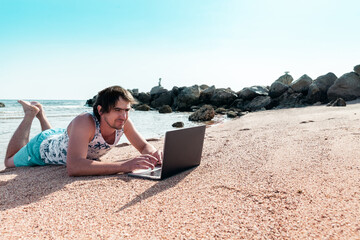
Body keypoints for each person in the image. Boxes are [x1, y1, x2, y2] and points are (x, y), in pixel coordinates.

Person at [4, 86, 162, 176]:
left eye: (127, 110)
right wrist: (123, 166)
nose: (124, 115)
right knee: (9, 161)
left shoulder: (123, 122)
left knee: (58, 142)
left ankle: (41, 114)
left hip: (61, 139)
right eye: (117, 110)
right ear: (100, 110)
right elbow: (74, 167)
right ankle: (30, 115)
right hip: (41, 149)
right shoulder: (84, 122)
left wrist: (153, 154)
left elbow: (143, 146)